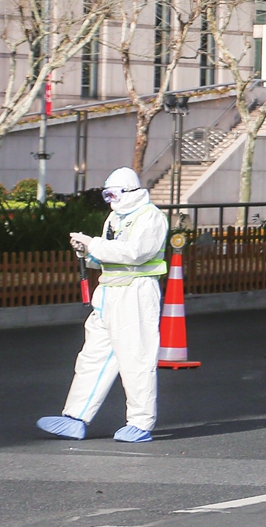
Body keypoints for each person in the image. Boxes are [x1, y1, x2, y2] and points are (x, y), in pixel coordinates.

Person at [36, 167, 168, 443]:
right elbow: (109, 255)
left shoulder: (150, 217)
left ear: (130, 192)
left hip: (135, 293)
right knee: (92, 357)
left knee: (135, 359)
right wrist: (88, 253)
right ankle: (75, 416)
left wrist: (93, 245)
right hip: (108, 293)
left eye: (113, 193)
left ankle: (140, 423)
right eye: (106, 194)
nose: (110, 199)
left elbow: (134, 253)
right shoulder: (115, 218)